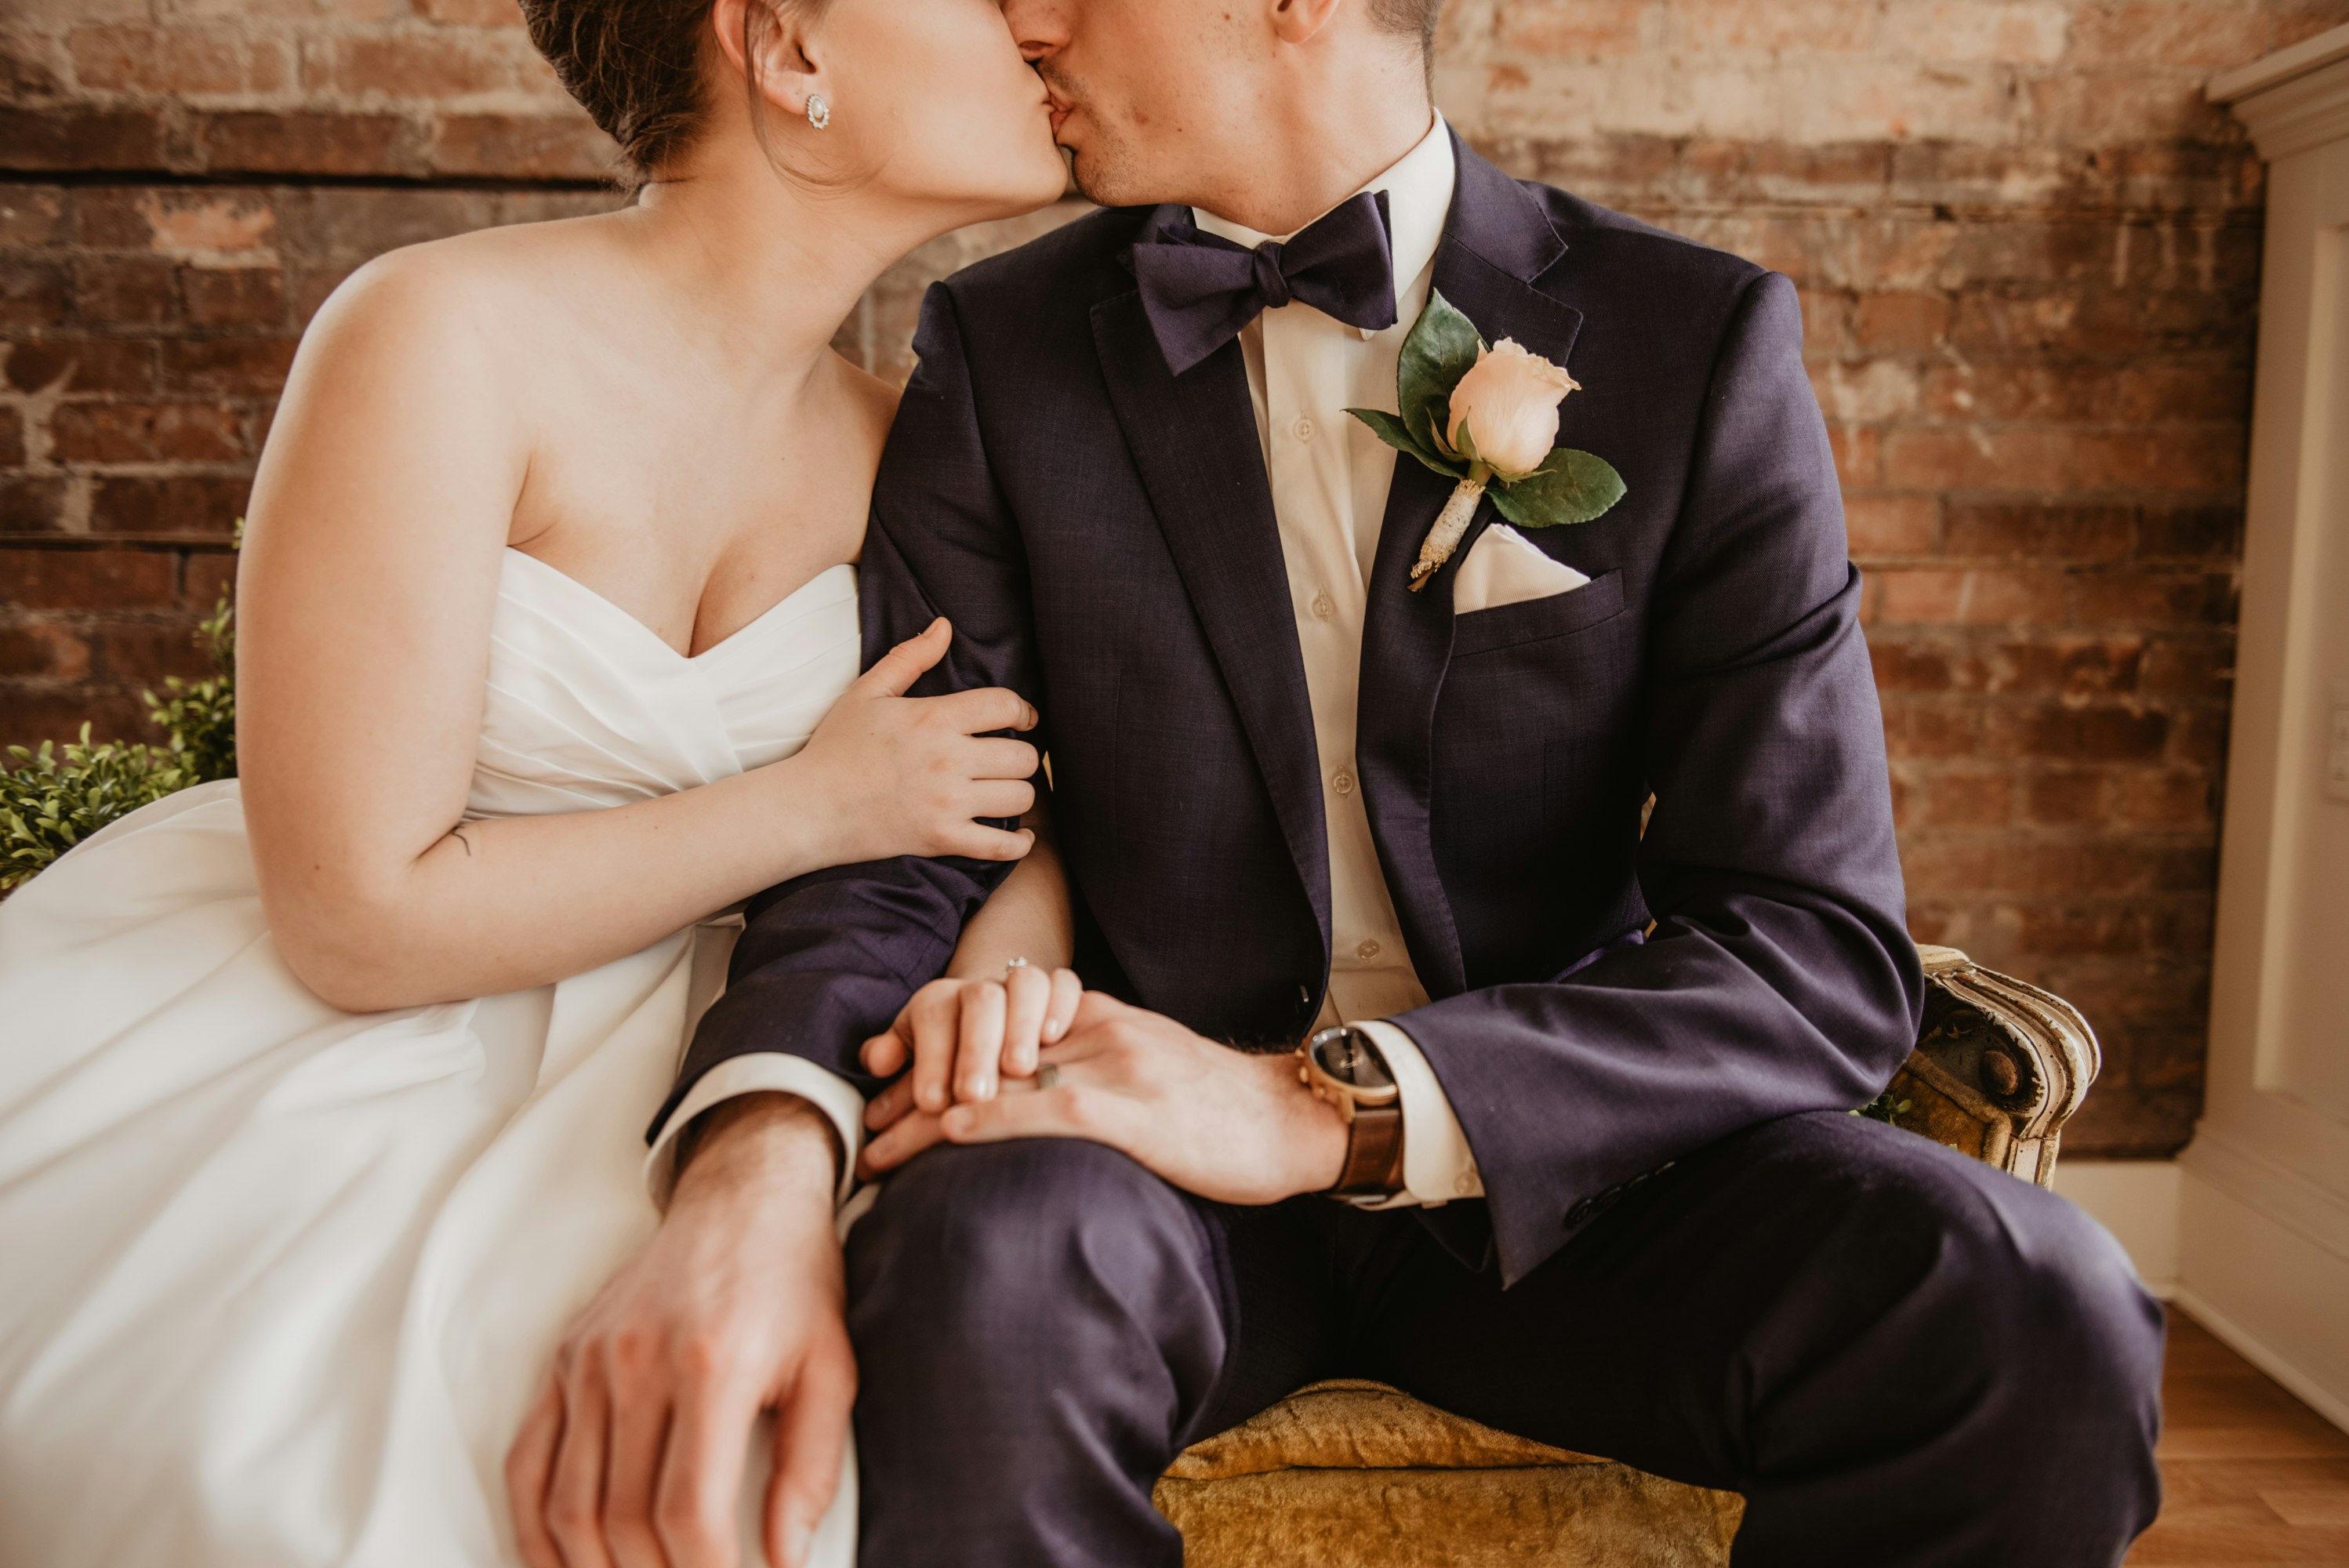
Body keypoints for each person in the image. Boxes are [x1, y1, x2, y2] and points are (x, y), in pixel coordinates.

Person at [535, 0, 2173, 1565]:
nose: (1025, 21)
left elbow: (1811, 943)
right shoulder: (1003, 345)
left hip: (1582, 1173)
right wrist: (758, 1147)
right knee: (985, 1267)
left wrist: (1324, 1107)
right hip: (1141, 1165)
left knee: (2033, 1303)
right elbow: (911, 827)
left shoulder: (1698, 341)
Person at [0, 1, 1080, 1564]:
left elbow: (1004, 798)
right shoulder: (436, 332)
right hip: (352, 1037)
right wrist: (809, 808)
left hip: (733, 1051)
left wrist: (1010, 964)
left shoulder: (920, 443)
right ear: (788, 50)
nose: (1041, 19)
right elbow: (354, 914)